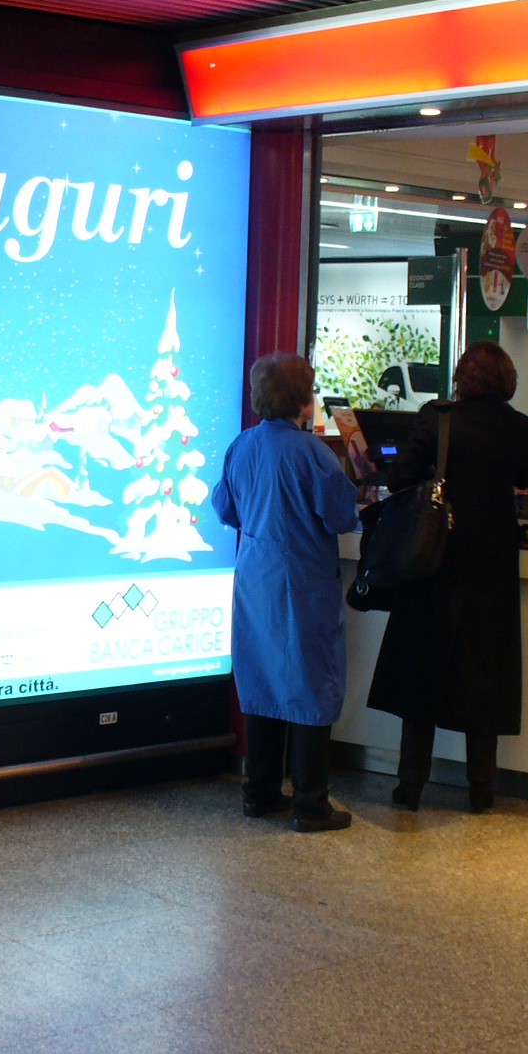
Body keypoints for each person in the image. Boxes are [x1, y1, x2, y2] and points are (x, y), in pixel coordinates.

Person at [368, 342, 528, 814]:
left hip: (435, 561)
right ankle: (481, 789)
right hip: (492, 566)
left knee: (421, 675)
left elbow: (399, 479)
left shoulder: (438, 418)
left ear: (460, 377)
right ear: (507, 380)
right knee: (485, 677)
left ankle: (409, 786)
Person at [211, 352, 359, 832]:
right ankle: (311, 804)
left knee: (262, 682)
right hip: (302, 581)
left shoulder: (242, 446)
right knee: (311, 684)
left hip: (255, 578)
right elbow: (339, 516)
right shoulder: (312, 452)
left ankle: (259, 793)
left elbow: (225, 509)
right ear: (303, 398)